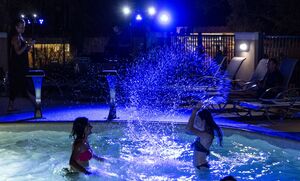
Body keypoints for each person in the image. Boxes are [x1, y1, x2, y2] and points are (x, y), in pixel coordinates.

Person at [7, 18, 35, 112]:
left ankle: (11, 106)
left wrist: (29, 45)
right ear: (16, 27)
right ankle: (36, 102)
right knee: (24, 84)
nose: (23, 28)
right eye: (21, 27)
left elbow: (24, 51)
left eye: (24, 27)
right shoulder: (15, 38)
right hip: (17, 66)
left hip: (21, 64)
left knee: (17, 85)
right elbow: (18, 52)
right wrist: (27, 45)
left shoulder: (21, 36)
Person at [186, 102, 223, 169]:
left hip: (202, 167)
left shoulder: (207, 136)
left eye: (197, 120)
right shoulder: (203, 134)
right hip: (200, 166)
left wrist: (195, 111)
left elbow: (189, 129)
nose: (195, 123)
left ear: (203, 121)